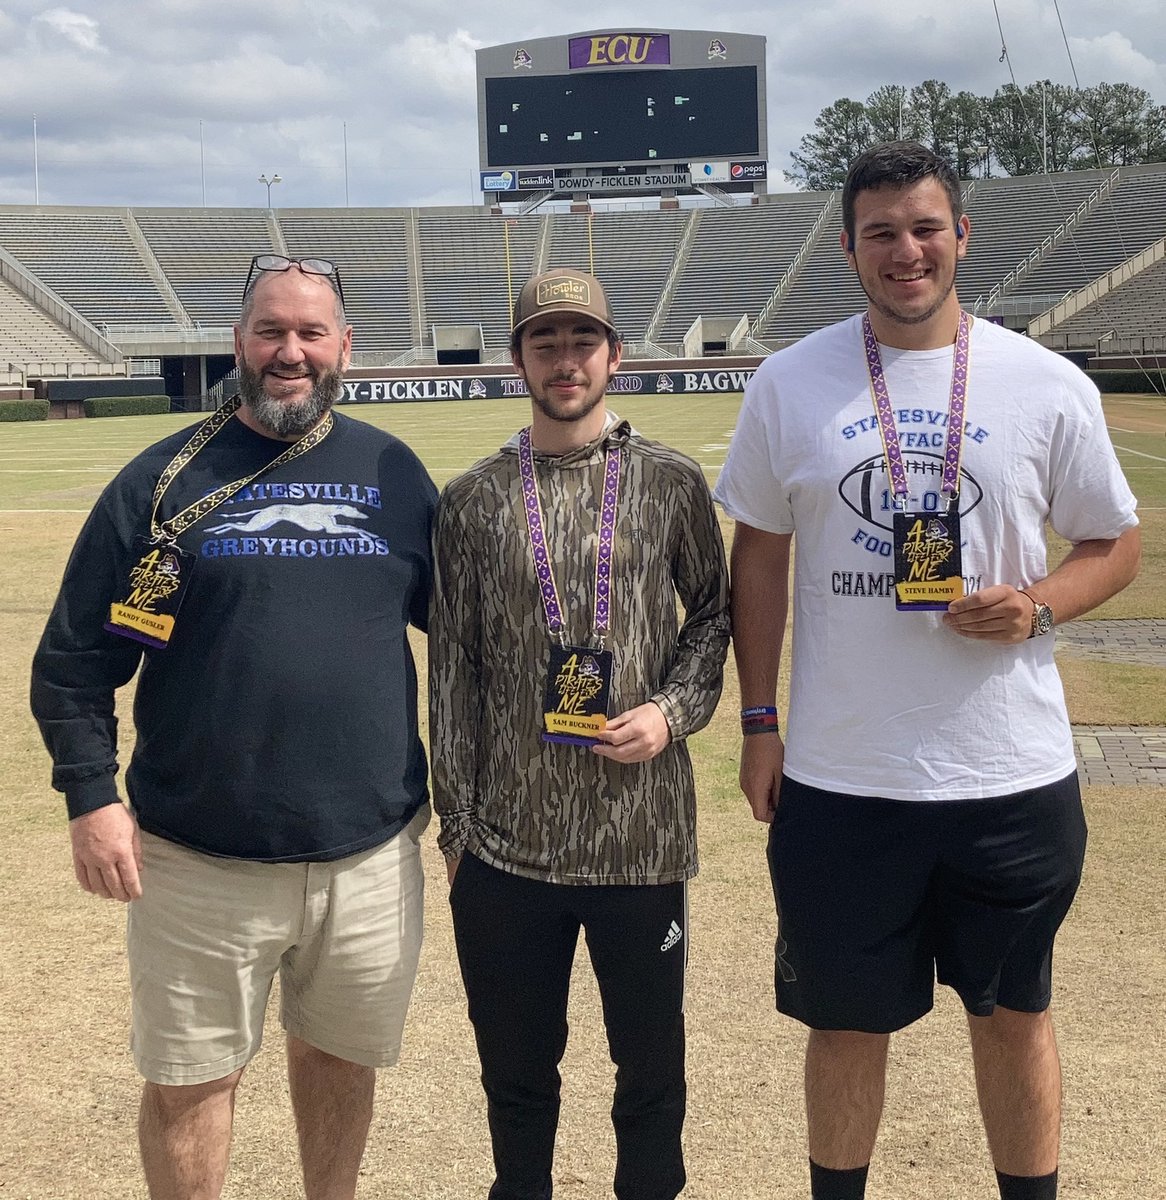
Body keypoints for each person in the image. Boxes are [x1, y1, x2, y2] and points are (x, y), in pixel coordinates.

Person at [714, 141, 1141, 1200]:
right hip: (841, 778)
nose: (903, 251)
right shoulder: (788, 381)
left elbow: (1112, 545)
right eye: (879, 234)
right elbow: (758, 553)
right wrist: (757, 719)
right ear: (848, 250)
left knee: (1013, 1015)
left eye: (922, 228)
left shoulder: (1043, 382)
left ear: (960, 236)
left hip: (1005, 774)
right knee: (844, 1022)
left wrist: (1037, 603)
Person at [30, 253, 437, 1200]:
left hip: (367, 856)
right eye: (270, 331)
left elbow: (466, 636)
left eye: (310, 333)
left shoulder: (392, 470)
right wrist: (91, 797)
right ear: (239, 342)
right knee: (191, 1082)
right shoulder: (161, 481)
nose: (289, 351)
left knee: (341, 1061)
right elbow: (76, 660)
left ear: (346, 348)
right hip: (199, 857)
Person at [429, 267, 730, 1200]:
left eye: (583, 341)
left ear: (615, 355)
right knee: (517, 1080)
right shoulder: (473, 500)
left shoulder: (671, 482)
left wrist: (671, 712)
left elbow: (715, 617)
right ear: (518, 357)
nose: (566, 360)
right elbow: (454, 668)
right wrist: (458, 829)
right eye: (546, 342)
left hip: (641, 844)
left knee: (650, 1076)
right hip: (509, 853)